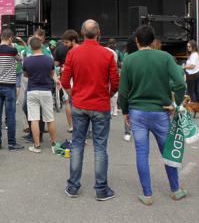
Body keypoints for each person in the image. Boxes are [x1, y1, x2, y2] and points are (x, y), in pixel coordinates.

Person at [118, 25, 188, 205]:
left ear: (137, 41)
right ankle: (175, 189)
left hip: (137, 112)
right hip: (161, 111)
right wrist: (176, 104)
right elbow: (180, 83)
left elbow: (123, 92)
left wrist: (125, 111)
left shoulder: (129, 60)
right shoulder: (165, 57)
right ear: (154, 40)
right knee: (167, 151)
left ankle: (147, 194)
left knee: (142, 152)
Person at [61, 19, 119, 201]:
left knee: (77, 144)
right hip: (100, 105)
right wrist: (107, 95)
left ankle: (73, 186)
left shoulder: (73, 54)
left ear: (81, 33)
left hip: (79, 104)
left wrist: (73, 94)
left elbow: (64, 80)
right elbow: (116, 82)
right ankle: (101, 189)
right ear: (99, 32)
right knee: (100, 147)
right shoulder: (108, 54)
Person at [0, 29, 24, 151]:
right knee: (10, 115)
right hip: (9, 86)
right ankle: (11, 143)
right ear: (9, 38)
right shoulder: (12, 50)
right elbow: (20, 60)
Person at [23, 37, 60, 153]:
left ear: (30, 47)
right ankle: (54, 143)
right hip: (46, 90)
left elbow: (26, 74)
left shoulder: (27, 60)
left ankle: (37, 145)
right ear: (41, 46)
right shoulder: (49, 59)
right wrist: (56, 80)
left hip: (32, 90)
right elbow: (52, 73)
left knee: (34, 119)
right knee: (50, 118)